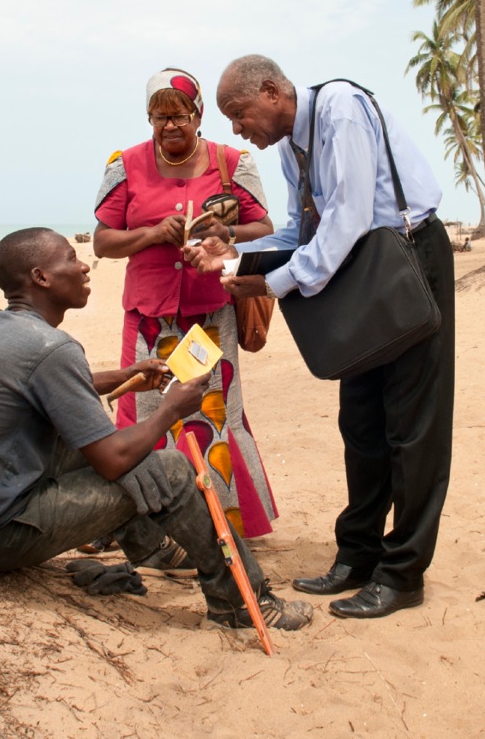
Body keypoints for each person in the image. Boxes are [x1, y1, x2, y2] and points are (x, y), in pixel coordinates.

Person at [0, 227, 313, 634]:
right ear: (41, 277)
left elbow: (48, 388)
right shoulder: (52, 348)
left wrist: (124, 376)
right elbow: (112, 462)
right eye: (71, 260)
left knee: (89, 435)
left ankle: (153, 550)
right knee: (171, 469)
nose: (84, 266)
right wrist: (169, 410)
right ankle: (242, 604)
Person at [185, 55, 455, 619]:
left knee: (411, 425)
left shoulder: (340, 111)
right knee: (360, 422)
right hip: (359, 269)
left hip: (403, 263)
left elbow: (348, 220)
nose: (237, 129)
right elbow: (301, 229)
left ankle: (403, 573)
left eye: (239, 113)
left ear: (270, 91)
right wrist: (235, 251)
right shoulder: (292, 147)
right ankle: (357, 555)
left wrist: (271, 282)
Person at [93, 67, 278, 540]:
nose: (169, 126)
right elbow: (103, 241)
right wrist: (151, 234)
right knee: (145, 413)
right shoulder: (125, 163)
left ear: (198, 114)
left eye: (179, 116)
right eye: (159, 117)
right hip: (149, 316)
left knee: (211, 412)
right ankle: (144, 529)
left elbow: (265, 228)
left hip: (210, 316)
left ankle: (222, 524)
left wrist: (223, 235)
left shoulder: (231, 162)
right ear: (148, 119)